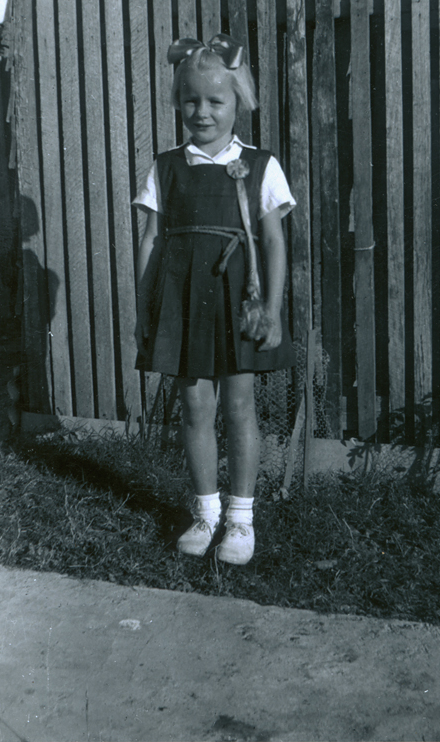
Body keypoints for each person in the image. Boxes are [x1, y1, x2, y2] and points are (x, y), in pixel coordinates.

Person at [133, 35, 296, 565]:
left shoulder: (259, 164)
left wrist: (270, 309)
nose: (201, 112)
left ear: (238, 102)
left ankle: (241, 521)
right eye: (190, 100)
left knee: (239, 405)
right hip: (183, 302)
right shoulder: (166, 167)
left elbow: (274, 241)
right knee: (194, 406)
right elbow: (151, 240)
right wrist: (146, 310)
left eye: (215, 101)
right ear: (178, 101)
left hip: (236, 301)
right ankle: (205, 514)